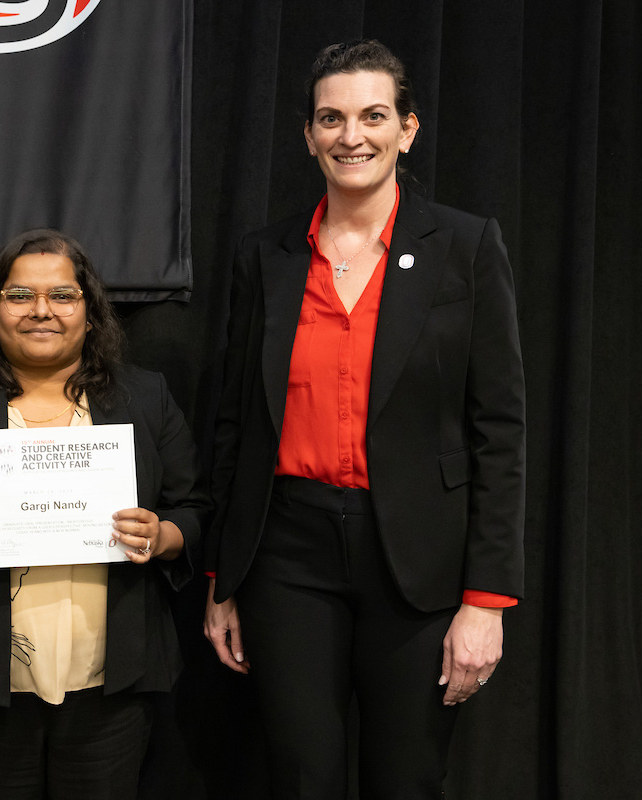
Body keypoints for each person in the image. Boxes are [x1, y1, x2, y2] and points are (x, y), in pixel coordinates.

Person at [202, 40, 526, 798]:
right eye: (332, 118)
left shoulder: (466, 247)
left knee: (406, 779)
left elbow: (501, 433)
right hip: (288, 556)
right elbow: (235, 424)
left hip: (418, 559)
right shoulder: (266, 255)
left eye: (374, 115)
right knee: (302, 777)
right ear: (308, 135)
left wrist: (485, 601)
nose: (353, 135)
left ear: (407, 129)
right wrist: (223, 577)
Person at [0, 229, 207, 799]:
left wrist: (162, 533)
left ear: (89, 308)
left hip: (112, 681)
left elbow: (195, 508)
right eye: (19, 295)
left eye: (62, 295)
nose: (41, 311)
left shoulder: (143, 397)